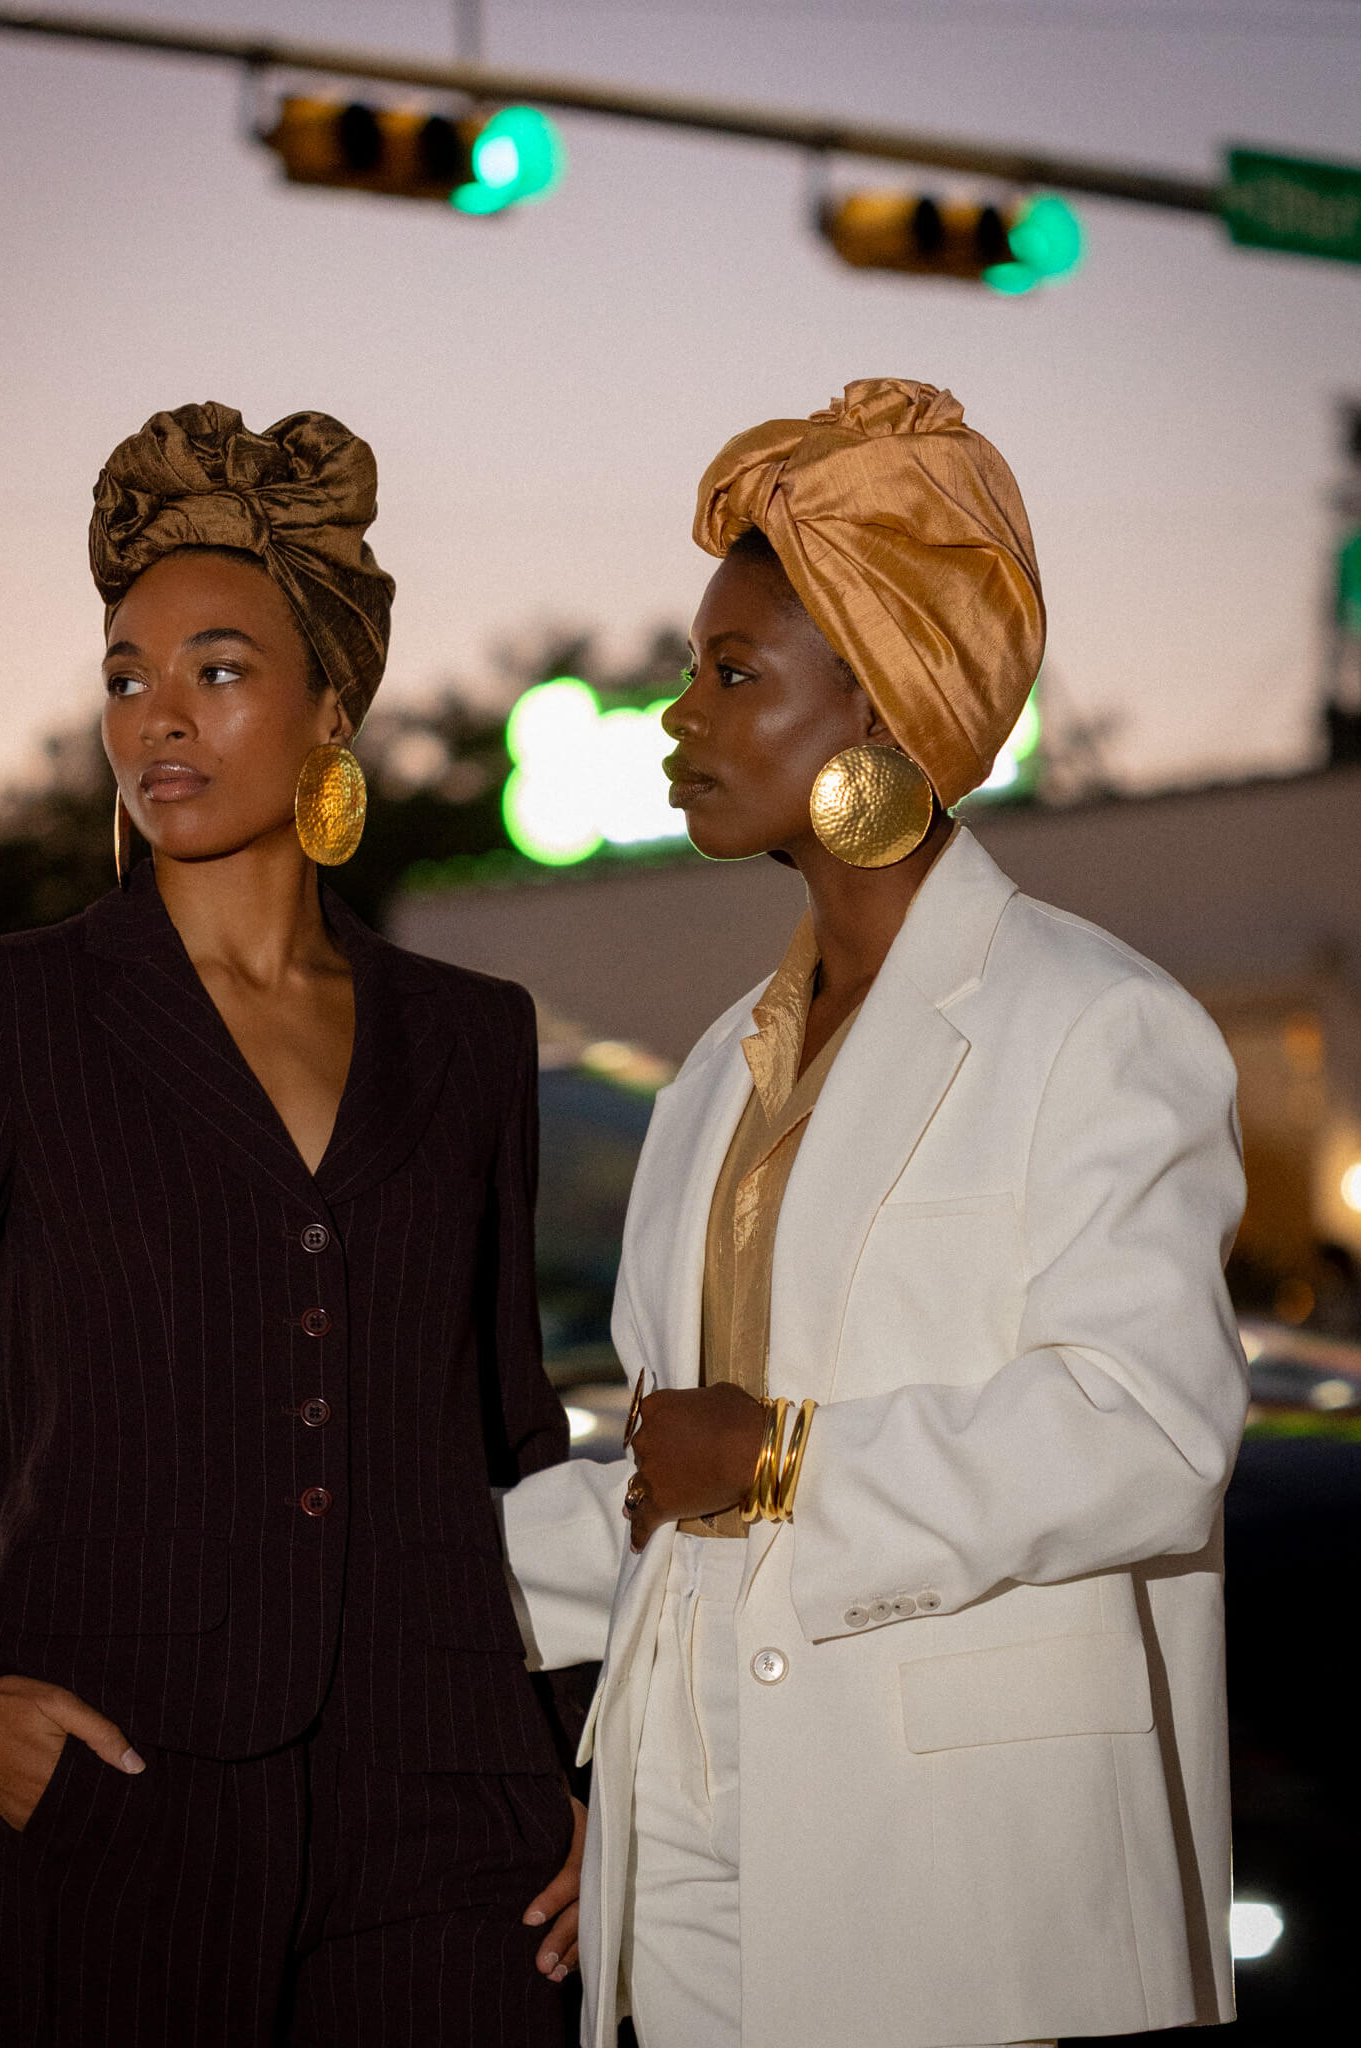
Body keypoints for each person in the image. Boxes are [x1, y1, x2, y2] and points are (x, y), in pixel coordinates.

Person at [0, 402, 585, 2046]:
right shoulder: (10, 1012)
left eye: (216, 670)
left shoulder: (470, 1034)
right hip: (118, 1793)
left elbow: (511, 1437)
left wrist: (589, 1765)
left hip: (453, 1812)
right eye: (125, 675)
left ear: (329, 706)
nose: (158, 717)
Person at [500, 379, 1248, 2048]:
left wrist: (781, 1462)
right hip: (681, 1834)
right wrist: (349, 1587)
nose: (676, 717)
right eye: (693, 670)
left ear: (881, 715)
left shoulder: (1090, 1022)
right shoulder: (714, 1077)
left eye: (731, 671)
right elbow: (655, 1482)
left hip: (948, 1875)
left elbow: (1147, 1430)